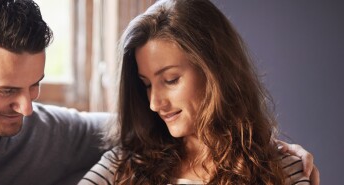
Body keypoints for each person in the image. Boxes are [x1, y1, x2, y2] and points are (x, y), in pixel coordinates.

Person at [0, 0, 316, 184]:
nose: (27, 108)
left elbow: (164, 126)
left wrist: (273, 151)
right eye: (8, 90)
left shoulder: (48, 128)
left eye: (35, 85)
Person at [80, 0, 318, 184]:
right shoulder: (122, 165)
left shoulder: (282, 169)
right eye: (147, 84)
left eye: (170, 80)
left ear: (215, 71)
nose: (154, 103)